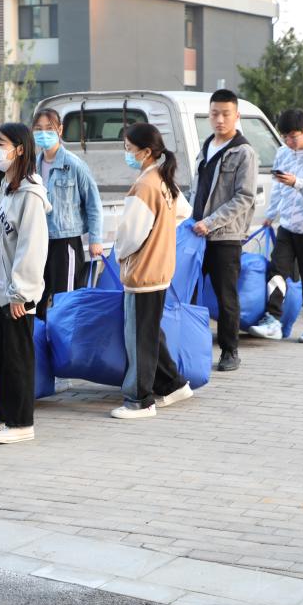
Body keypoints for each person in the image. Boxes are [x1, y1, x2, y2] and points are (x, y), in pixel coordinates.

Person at [110, 123, 194, 419]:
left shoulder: (145, 185)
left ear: (146, 152)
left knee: (139, 338)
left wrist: (120, 253)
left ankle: (139, 400)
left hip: (143, 271)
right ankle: (173, 385)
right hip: (159, 270)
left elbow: (130, 235)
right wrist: (162, 233)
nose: (126, 153)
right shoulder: (162, 179)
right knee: (149, 333)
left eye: (129, 148)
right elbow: (184, 212)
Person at [0, 123, 50, 444]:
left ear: (19, 149)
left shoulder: (30, 193)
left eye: (1, 144)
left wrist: (21, 292)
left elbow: (31, 246)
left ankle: (21, 423)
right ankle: (4, 417)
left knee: (17, 358)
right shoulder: (2, 188)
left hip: (16, 293)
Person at [248, 108, 303, 343]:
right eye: (284, 137)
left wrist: (297, 182)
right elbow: (278, 187)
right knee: (277, 270)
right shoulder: (283, 153)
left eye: (293, 137)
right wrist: (271, 215)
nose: (289, 142)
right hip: (287, 226)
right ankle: (273, 320)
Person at [188, 89, 257, 372]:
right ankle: (188, 346)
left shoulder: (244, 152)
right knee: (189, 292)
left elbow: (244, 197)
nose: (219, 119)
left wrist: (211, 222)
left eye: (226, 114)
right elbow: (197, 189)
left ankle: (230, 351)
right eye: (214, 113)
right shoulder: (206, 147)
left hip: (224, 237)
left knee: (226, 296)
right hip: (195, 235)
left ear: (236, 115)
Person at [31, 107, 104, 319]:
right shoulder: (31, 166)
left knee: (66, 298)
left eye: (49, 128)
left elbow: (93, 203)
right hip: (38, 241)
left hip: (65, 242)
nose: (43, 133)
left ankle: (66, 338)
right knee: (36, 297)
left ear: (60, 130)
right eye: (38, 129)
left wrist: (95, 239)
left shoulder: (74, 165)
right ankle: (41, 338)